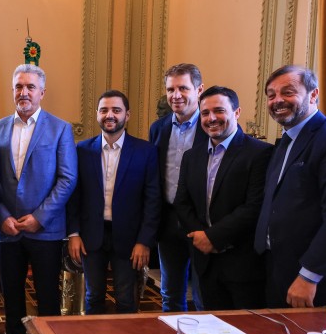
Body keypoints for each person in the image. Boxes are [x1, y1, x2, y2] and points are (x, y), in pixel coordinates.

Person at [254, 65, 326, 308]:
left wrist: (308, 276)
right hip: (277, 270)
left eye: (288, 92)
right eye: (271, 95)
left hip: (316, 281)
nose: (277, 101)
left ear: (313, 94)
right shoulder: (285, 142)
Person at [0, 64, 77, 334]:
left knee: (48, 296)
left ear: (42, 92)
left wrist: (39, 217)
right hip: (7, 229)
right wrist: (1, 217)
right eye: (18, 86)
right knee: (11, 294)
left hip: (45, 229)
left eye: (30, 87)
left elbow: (67, 179)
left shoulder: (60, 129)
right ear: (12, 90)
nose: (23, 92)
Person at [174, 86, 272, 310]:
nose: (211, 118)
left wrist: (213, 237)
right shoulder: (192, 156)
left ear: (237, 112)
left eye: (219, 111)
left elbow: (254, 206)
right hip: (205, 261)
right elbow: (182, 202)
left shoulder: (260, 153)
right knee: (212, 331)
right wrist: (201, 238)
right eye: (205, 113)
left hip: (242, 263)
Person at [67, 90, 161, 314]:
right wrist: (74, 234)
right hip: (91, 236)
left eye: (116, 110)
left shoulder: (145, 152)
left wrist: (144, 241)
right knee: (93, 297)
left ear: (127, 115)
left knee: (126, 299)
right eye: (104, 110)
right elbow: (73, 196)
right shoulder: (81, 150)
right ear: (97, 115)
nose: (110, 115)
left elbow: (153, 200)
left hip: (129, 239)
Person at [149, 63, 208, 312]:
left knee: (204, 294)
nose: (176, 95)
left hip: (202, 222)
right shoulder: (158, 128)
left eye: (183, 88)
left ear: (199, 90)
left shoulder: (212, 126)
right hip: (168, 221)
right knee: (170, 294)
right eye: (170, 89)